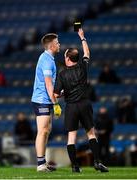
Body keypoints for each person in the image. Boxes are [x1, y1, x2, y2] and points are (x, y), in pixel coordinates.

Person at [54, 28, 108, 173]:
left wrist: (64, 93)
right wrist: (82, 37)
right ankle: (97, 163)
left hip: (71, 106)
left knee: (71, 138)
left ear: (67, 58)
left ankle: (75, 167)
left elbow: (56, 94)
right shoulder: (83, 67)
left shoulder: (62, 73)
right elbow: (87, 53)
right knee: (91, 134)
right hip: (85, 104)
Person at [31, 33, 62, 172]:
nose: (59, 44)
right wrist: (55, 103)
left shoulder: (49, 58)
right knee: (42, 131)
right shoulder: (47, 60)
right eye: (57, 42)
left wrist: (57, 95)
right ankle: (40, 164)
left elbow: (51, 84)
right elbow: (48, 84)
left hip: (46, 99)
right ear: (51, 45)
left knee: (47, 131)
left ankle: (42, 162)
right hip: (42, 100)